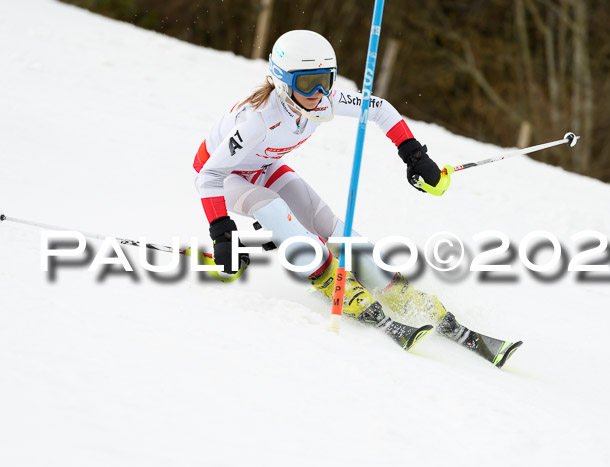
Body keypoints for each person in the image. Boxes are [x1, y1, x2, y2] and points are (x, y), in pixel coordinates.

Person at [192, 30, 516, 360]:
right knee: (275, 209)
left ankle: (393, 287)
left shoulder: (324, 101)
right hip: (226, 177)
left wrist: (414, 155)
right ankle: (331, 280)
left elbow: (380, 108)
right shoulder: (257, 121)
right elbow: (209, 176)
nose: (319, 93)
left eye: (326, 81)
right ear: (282, 82)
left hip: (265, 166)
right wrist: (222, 234)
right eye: (307, 84)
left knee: (328, 224)